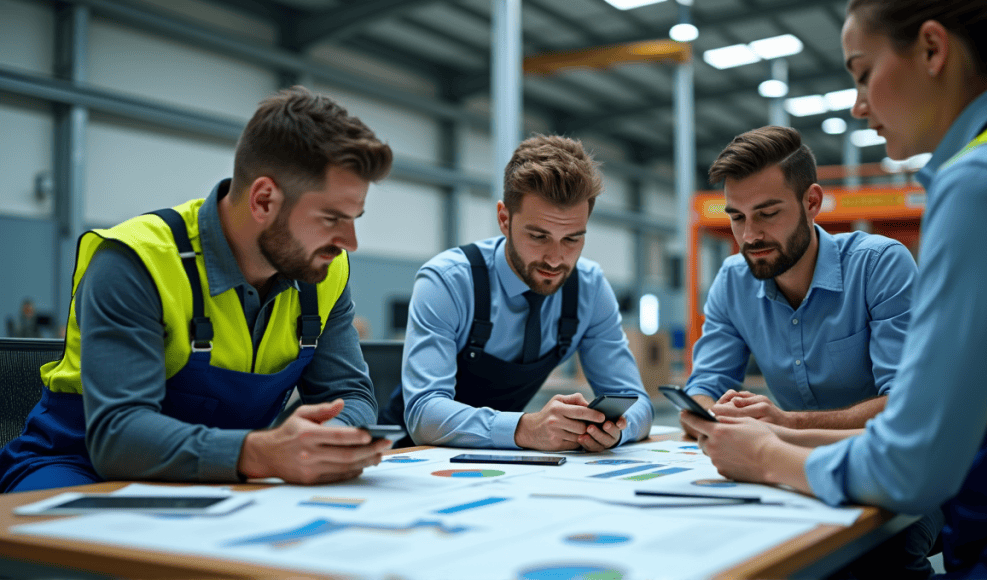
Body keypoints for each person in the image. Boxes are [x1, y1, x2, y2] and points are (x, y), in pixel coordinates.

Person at [681, 1, 987, 577]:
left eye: (863, 73)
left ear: (933, 50)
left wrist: (768, 448)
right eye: (737, 218)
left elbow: (912, 462)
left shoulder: (983, 181)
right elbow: (705, 387)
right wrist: (724, 419)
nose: (860, 104)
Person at [0, 87, 396, 493]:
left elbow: (350, 394)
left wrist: (328, 439)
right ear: (263, 200)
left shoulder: (324, 271)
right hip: (80, 467)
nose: (350, 242)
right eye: (331, 218)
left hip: (220, 476)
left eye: (354, 218)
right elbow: (117, 437)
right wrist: (261, 454)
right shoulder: (136, 262)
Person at [381, 135, 653, 451]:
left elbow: (638, 405)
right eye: (539, 236)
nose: (555, 259)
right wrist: (524, 428)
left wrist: (616, 430)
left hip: (506, 462)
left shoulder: (589, 290)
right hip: (408, 457)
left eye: (572, 239)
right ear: (504, 219)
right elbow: (423, 414)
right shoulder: (448, 281)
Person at [684, 126, 917, 431]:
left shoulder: (878, 266)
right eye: (738, 217)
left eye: (767, 214)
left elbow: (907, 402)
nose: (750, 236)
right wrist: (708, 415)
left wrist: (788, 423)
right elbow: (703, 387)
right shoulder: (732, 282)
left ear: (812, 203)